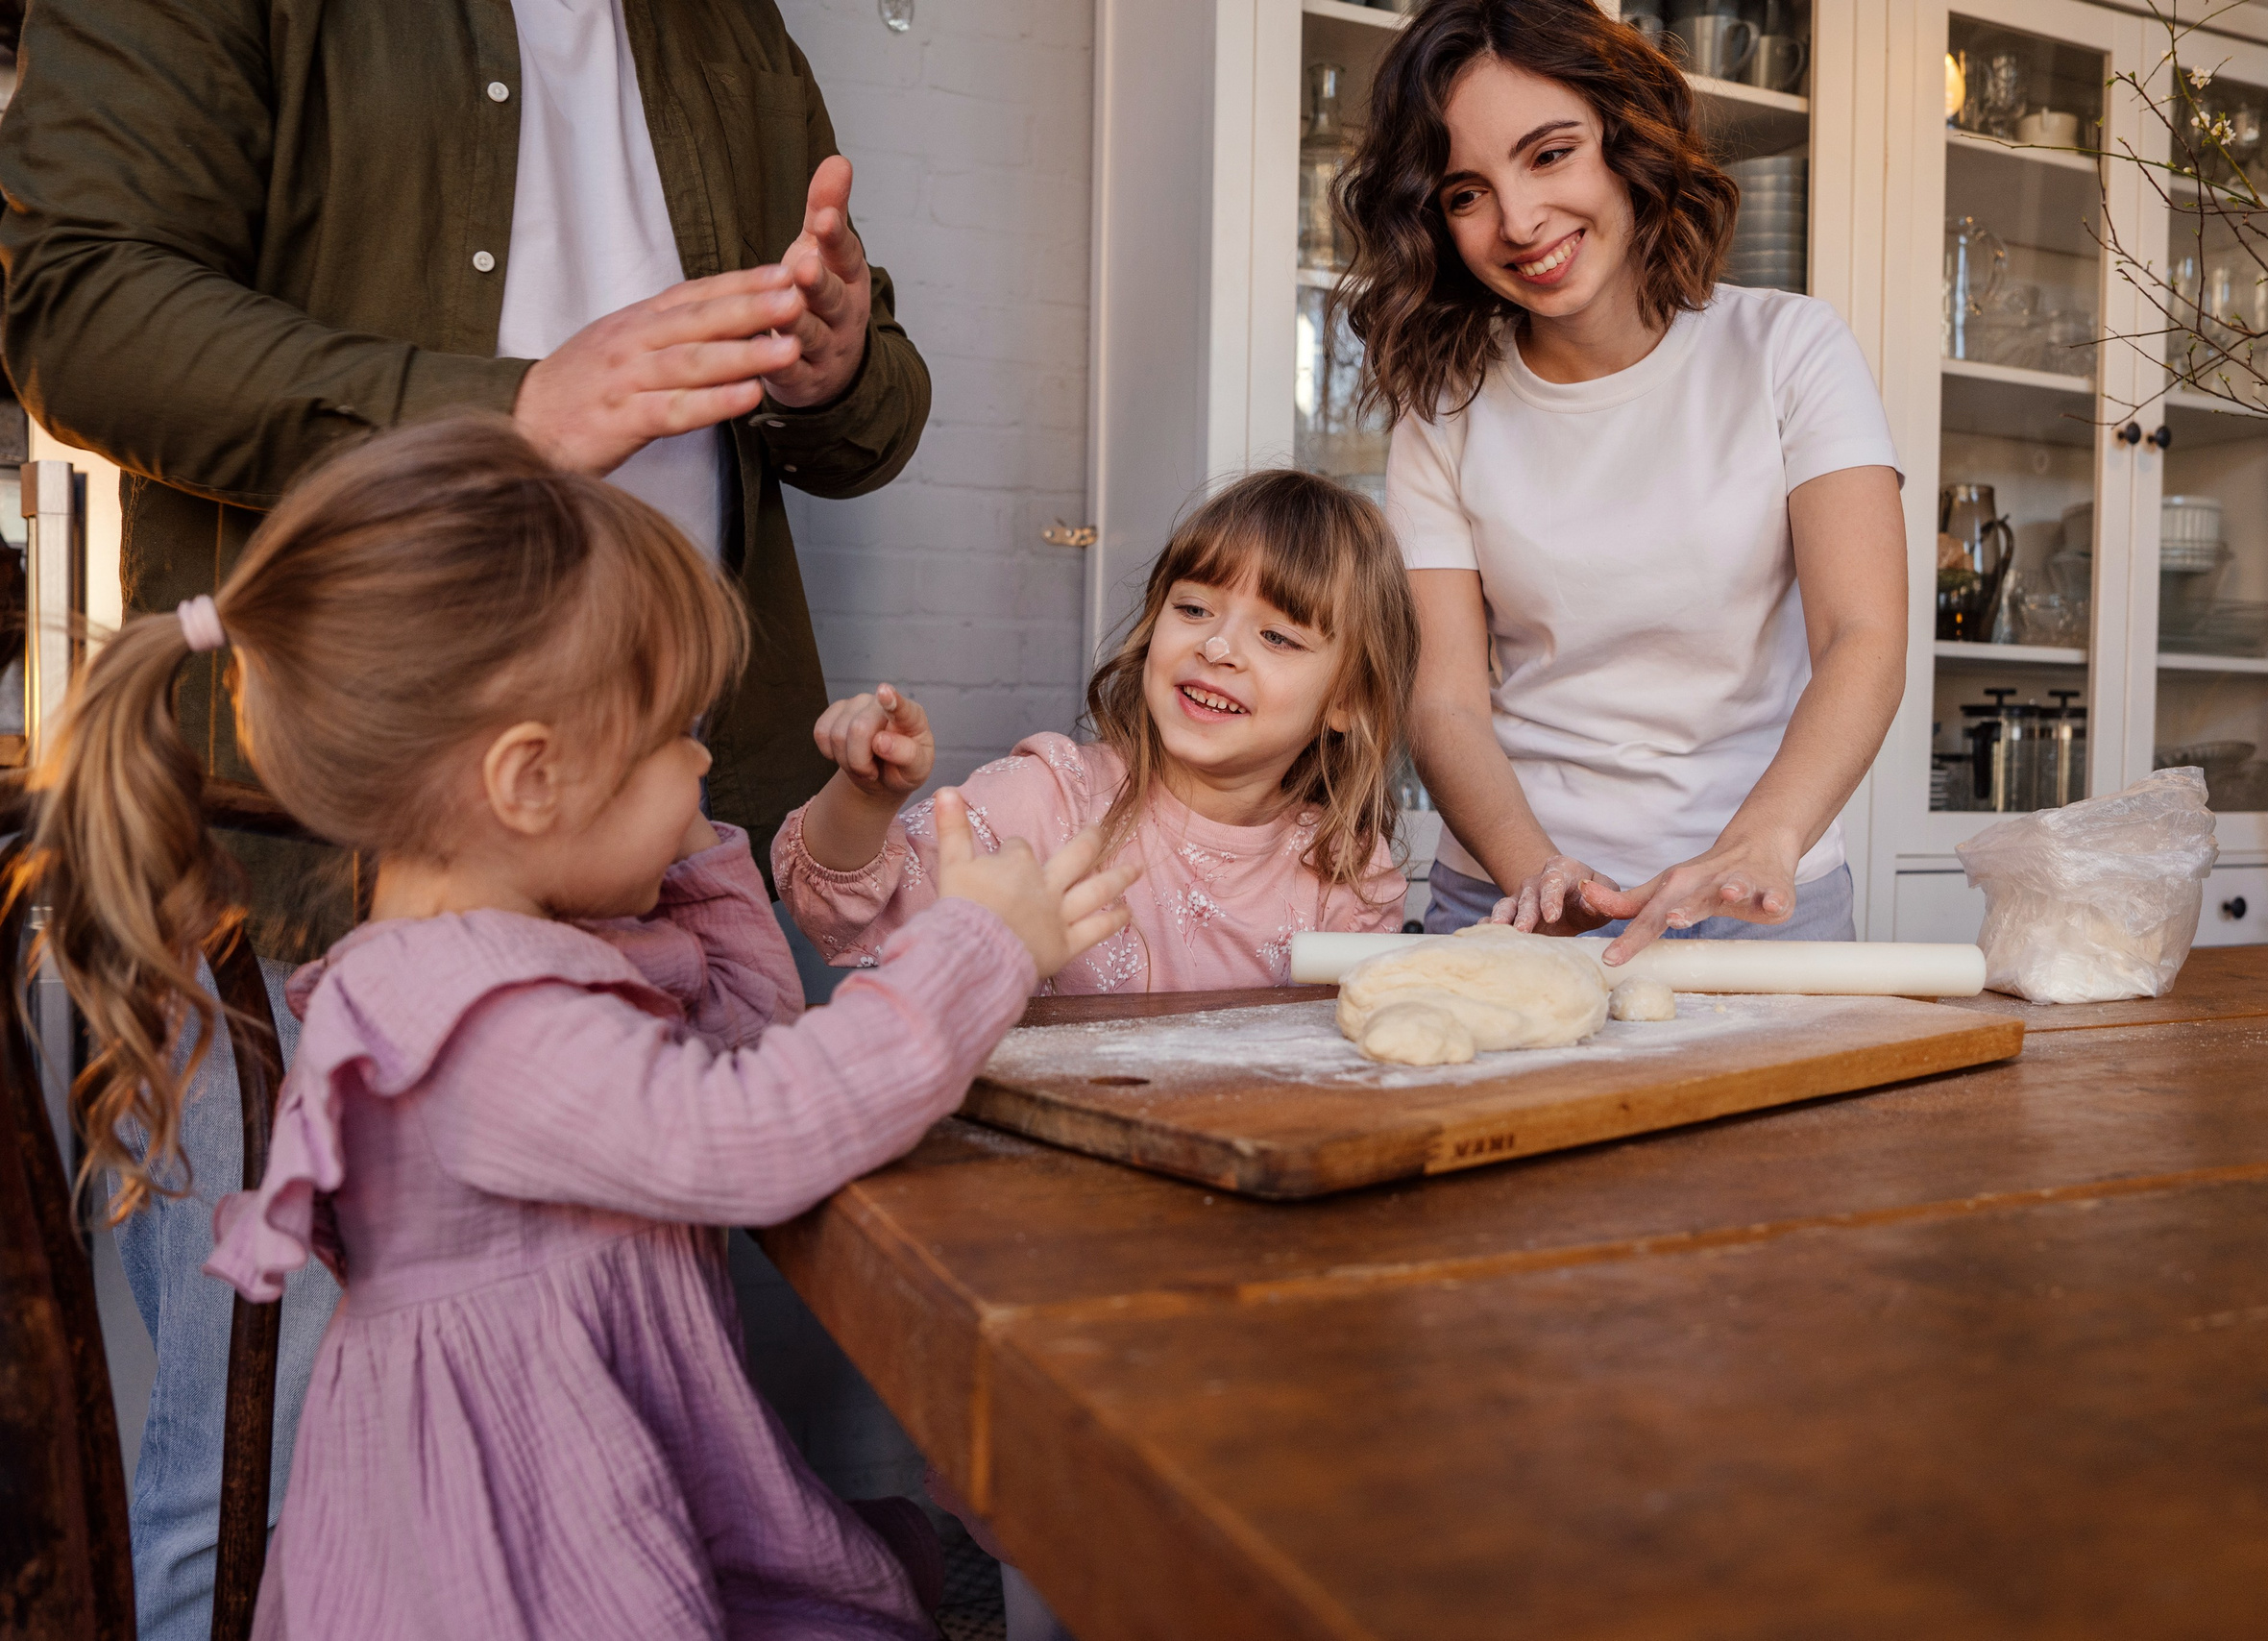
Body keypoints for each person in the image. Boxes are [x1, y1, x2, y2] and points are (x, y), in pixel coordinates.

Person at [0, 5, 928, 1629]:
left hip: (642, 850)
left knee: (604, 1421)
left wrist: (839, 364)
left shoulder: (732, 26)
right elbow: (77, 303)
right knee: (268, 1466)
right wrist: (498, 407)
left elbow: (869, 412)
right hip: (317, 860)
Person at [11, 417, 1136, 1640]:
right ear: (529, 780)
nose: (701, 763)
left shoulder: (512, 954)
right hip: (515, 1557)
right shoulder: (474, 1021)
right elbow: (755, 1129)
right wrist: (975, 947)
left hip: (594, 1471)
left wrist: (688, 848)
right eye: (676, 738)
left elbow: (748, 1033)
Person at [1339, 0, 1908, 964]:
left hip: (1761, 890)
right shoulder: (1444, 406)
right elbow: (1443, 705)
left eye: (1550, 154)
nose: (1520, 221)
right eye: (1466, 193)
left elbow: (1863, 635)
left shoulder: (1789, 348)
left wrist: (1758, 845)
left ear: (1625, 139)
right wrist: (1536, 872)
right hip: (1517, 889)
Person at [778, 470, 1418, 992]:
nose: (1218, 647)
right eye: (1194, 608)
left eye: (1277, 636)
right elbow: (833, 911)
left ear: (1348, 701)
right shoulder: (1047, 799)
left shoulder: (1346, 874)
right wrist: (864, 798)